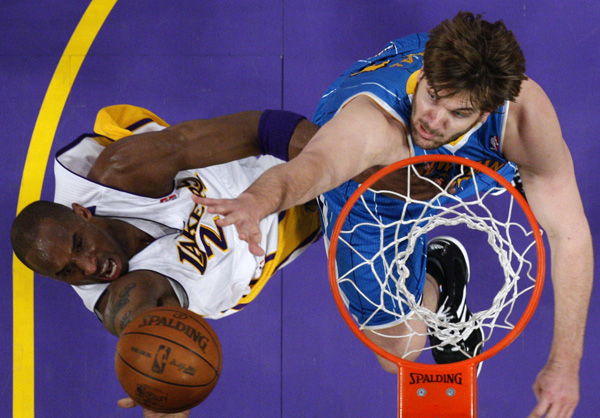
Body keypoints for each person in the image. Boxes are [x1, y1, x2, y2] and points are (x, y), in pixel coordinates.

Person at [196, 12, 593, 418]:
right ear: (422, 73)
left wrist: (565, 364)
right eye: (433, 95)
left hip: (463, 162)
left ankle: (499, 169)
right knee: (398, 353)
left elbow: (571, 235)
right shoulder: (374, 125)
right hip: (369, 183)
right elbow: (311, 169)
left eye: (459, 113)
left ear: (487, 109)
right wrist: (257, 202)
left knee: (540, 181)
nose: (433, 119)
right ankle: (438, 280)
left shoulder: (520, 115)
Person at [11, 104, 322, 418]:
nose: (89, 268)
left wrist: (335, 156)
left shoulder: (125, 171)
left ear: (83, 213)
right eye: (68, 271)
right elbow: (140, 322)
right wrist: (160, 381)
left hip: (271, 174)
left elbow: (265, 129)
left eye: (80, 244)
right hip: (273, 246)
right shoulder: (116, 302)